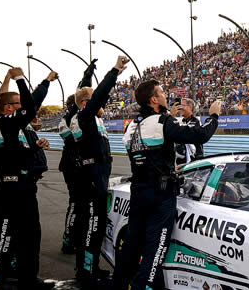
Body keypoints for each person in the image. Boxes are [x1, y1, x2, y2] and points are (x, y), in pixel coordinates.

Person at [111, 80, 221, 290]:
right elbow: (200, 136)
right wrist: (214, 116)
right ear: (154, 99)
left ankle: (119, 285)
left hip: (138, 192)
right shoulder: (162, 122)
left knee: (131, 248)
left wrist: (167, 168)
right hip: (160, 196)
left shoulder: (131, 126)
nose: (165, 94)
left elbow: (147, 157)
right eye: (161, 92)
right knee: (155, 250)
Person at [0, 67, 57, 290]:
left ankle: (28, 280)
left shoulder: (15, 127)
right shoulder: (3, 123)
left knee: (31, 236)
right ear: (8, 108)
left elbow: (13, 152)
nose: (22, 107)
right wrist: (20, 80)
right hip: (10, 189)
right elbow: (30, 107)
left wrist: (34, 145)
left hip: (24, 187)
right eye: (18, 104)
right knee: (5, 239)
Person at [71, 56, 128, 286]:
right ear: (88, 101)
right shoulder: (85, 116)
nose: (103, 103)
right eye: (95, 99)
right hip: (91, 178)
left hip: (98, 176)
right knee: (91, 227)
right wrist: (113, 71)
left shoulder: (92, 118)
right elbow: (100, 94)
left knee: (96, 226)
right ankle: (86, 272)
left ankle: (90, 268)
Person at [58, 59, 95, 254]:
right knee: (76, 202)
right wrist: (86, 76)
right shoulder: (69, 117)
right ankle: (68, 239)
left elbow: (82, 90)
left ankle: (77, 236)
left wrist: (87, 75)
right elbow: (81, 90)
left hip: (77, 163)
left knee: (82, 203)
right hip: (72, 165)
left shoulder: (73, 116)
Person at [171, 97, 205, 163]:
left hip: (195, 160)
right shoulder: (181, 122)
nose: (180, 108)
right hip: (181, 160)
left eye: (183, 105)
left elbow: (186, 133)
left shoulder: (196, 122)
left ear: (190, 107)